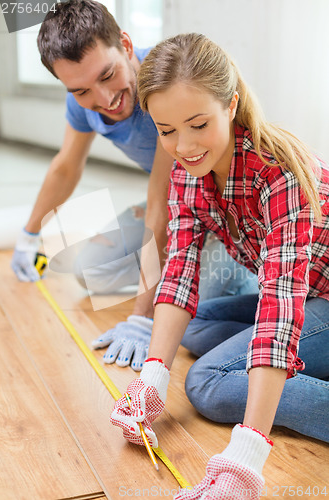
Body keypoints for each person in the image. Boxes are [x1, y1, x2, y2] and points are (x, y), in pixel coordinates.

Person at [110, 33, 329, 499]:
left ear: (230, 105)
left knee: (208, 382)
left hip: (313, 297)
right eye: (166, 131)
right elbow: (180, 276)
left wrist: (244, 460)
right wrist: (152, 379)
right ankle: (303, 364)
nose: (183, 146)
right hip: (309, 294)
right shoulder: (191, 173)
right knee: (191, 327)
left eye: (197, 124)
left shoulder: (280, 174)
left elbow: (278, 310)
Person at [10, 1, 258, 373]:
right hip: (179, 206)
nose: (104, 98)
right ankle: (177, 274)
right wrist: (30, 235)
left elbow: (160, 206)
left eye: (108, 75)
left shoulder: (163, 90)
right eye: (81, 90)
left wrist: (143, 318)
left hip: (227, 216)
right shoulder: (84, 102)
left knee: (192, 317)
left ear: (125, 45)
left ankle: (246, 276)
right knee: (89, 270)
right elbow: (66, 167)